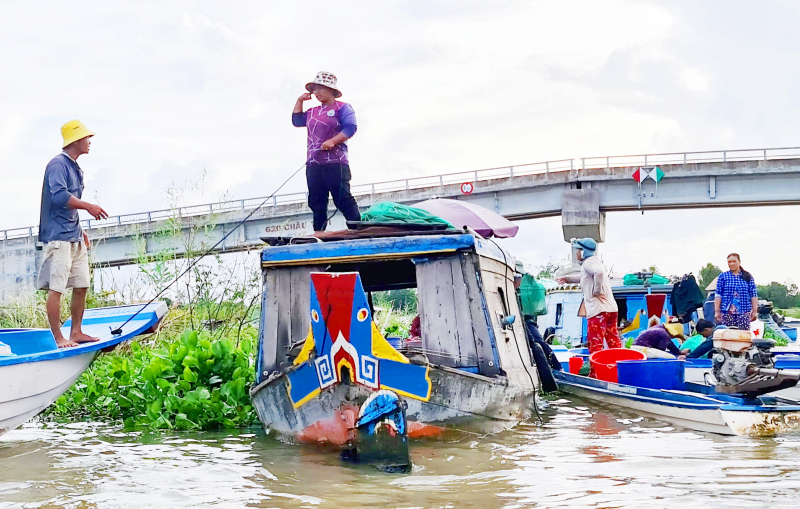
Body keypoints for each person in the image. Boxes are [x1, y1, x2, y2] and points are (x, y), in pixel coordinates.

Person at [38, 120, 108, 348]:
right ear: (76, 140)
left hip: (73, 235)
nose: (90, 142)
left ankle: (76, 331)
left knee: (81, 285)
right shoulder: (58, 165)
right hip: (58, 237)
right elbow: (59, 197)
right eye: (87, 138)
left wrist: (80, 229)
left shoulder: (76, 167)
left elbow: (67, 204)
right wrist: (88, 206)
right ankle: (58, 337)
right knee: (56, 288)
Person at [292, 71, 361, 231]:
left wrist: (332, 141)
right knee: (316, 200)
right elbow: (297, 120)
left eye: (321, 89)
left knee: (342, 198)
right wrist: (300, 101)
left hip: (336, 162)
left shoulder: (343, 107)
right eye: (315, 89)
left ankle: (357, 228)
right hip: (314, 163)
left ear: (331, 90)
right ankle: (319, 231)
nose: (317, 93)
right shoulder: (312, 112)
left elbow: (351, 127)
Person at [573, 238, 622, 355]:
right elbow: (584, 277)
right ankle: (618, 368)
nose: (576, 253)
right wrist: (566, 279)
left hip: (598, 310)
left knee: (596, 345)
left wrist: (596, 291)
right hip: (611, 309)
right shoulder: (595, 261)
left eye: (577, 250)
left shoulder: (588, 263)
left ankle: (596, 373)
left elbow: (598, 272)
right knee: (614, 342)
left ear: (583, 251)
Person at [714, 253, 758, 330]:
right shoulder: (723, 276)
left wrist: (755, 310)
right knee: (728, 335)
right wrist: (717, 311)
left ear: (739, 262)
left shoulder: (747, 276)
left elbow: (753, 294)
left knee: (743, 336)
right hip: (727, 312)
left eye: (734, 261)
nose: (732, 264)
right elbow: (718, 295)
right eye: (729, 262)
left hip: (744, 312)